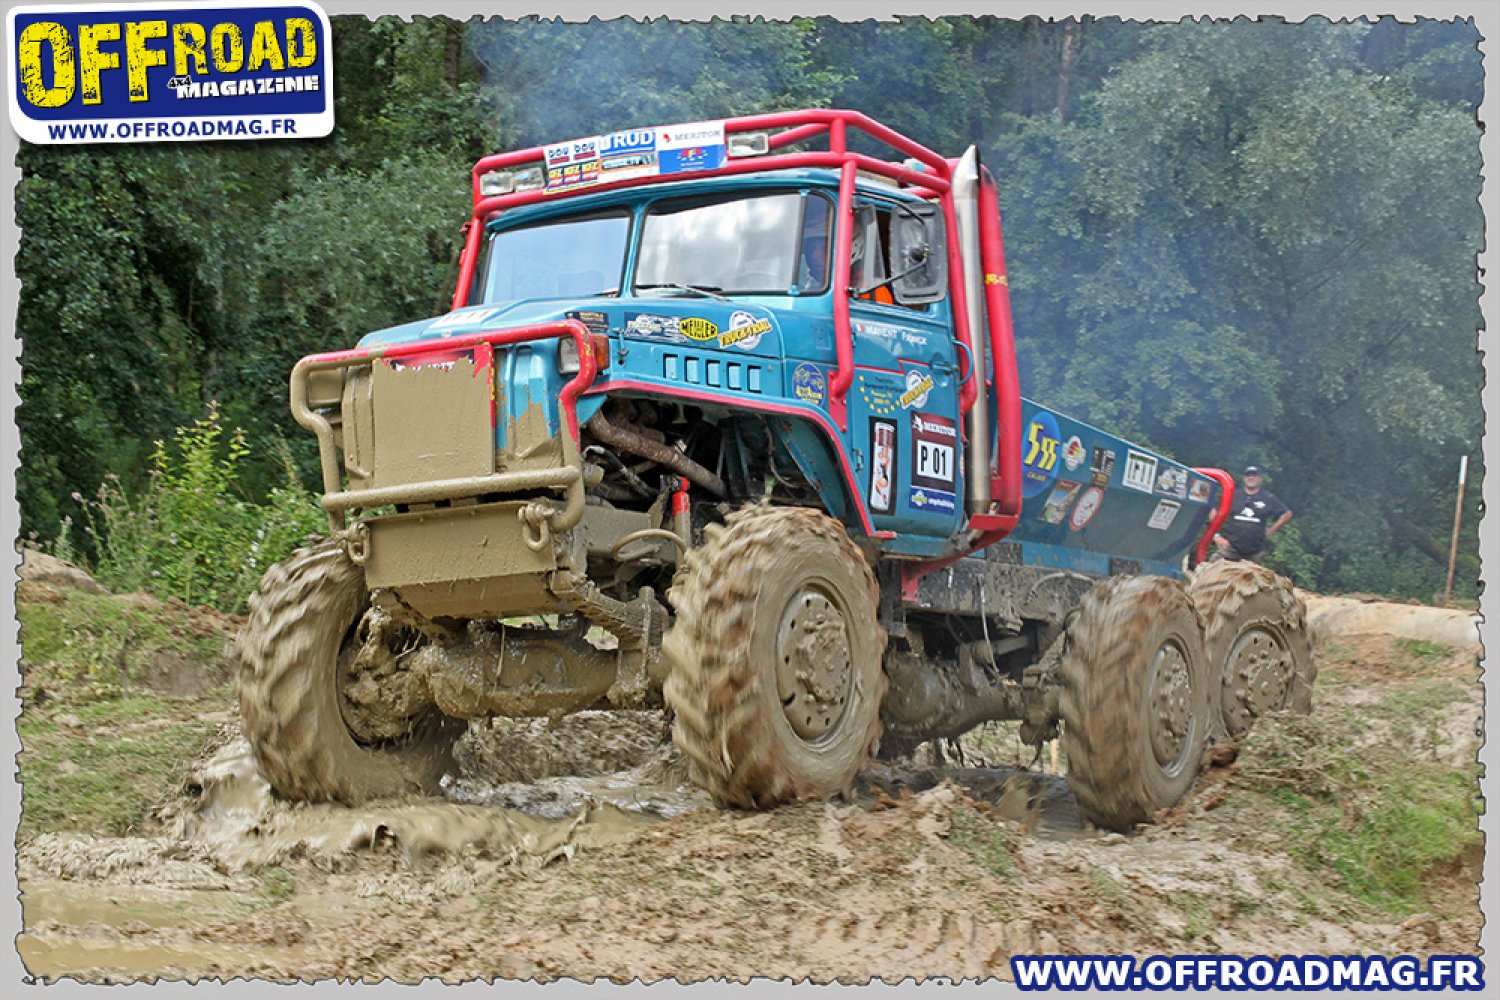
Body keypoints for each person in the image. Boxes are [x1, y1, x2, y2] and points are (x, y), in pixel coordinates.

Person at [1212, 465, 1292, 563]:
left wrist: (1270, 531)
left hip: (1254, 554)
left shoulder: (1268, 498)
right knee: (1210, 568)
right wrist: (1216, 536)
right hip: (1230, 549)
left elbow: (1287, 514)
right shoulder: (1233, 495)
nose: (1251, 478)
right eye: (1248, 475)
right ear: (1244, 478)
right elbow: (1214, 511)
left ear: (1260, 479)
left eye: (1254, 475)